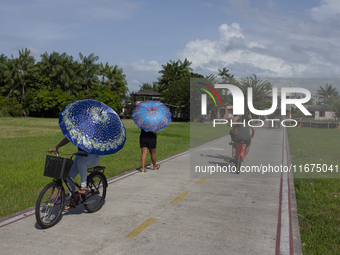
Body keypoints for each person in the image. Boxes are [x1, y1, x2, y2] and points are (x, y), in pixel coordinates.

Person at [49, 137, 101, 210]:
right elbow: (69, 137)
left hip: (93, 156)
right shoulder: (78, 129)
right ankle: (72, 200)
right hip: (80, 154)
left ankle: (84, 186)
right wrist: (57, 147)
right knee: (69, 176)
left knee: (81, 162)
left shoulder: (93, 131)